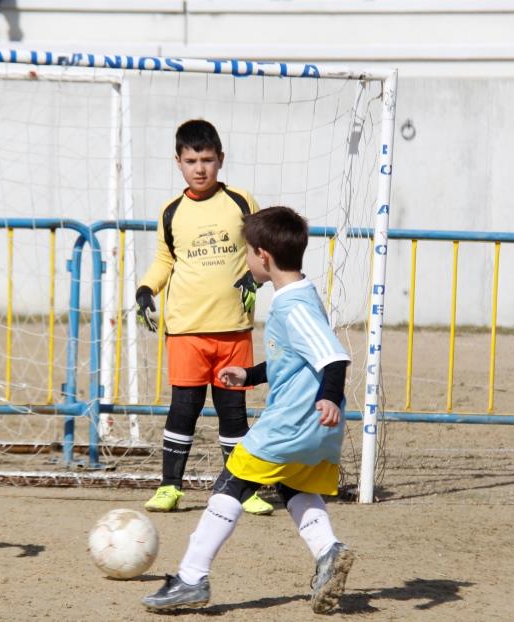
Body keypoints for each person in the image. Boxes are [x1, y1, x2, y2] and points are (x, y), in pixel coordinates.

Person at [142, 206, 354, 614]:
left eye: (246, 254)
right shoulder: (302, 295)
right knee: (294, 486)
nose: (245, 261)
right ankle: (329, 551)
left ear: (264, 257)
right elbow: (296, 358)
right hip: (315, 430)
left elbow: (333, 357)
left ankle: (190, 578)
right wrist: (253, 375)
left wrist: (328, 395)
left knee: (230, 487)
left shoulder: (294, 306)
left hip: (293, 422)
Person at [135, 119, 273, 516]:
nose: (200, 168)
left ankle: (241, 490)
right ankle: (169, 488)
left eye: (208, 160)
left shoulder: (241, 201)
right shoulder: (170, 211)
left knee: (234, 413)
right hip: (185, 331)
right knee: (184, 408)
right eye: (191, 160)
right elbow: (165, 260)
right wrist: (147, 289)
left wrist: (255, 277)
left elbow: (261, 248)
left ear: (220, 160)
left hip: (233, 328)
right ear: (178, 161)